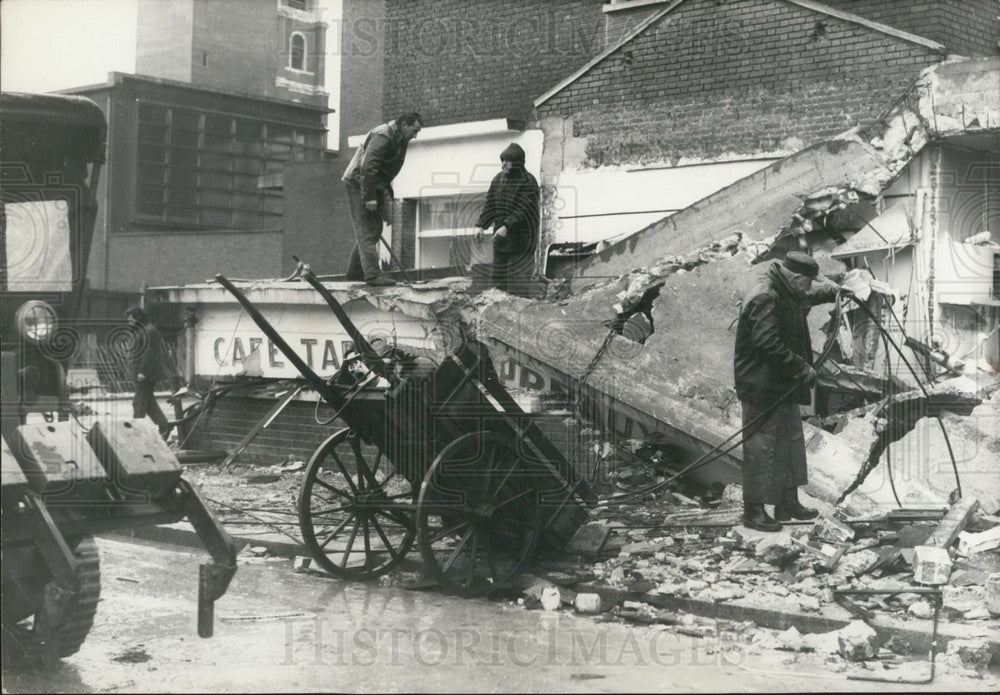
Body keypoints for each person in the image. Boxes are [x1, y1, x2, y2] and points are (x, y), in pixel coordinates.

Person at [733, 251, 843, 532]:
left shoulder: (785, 287)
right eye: (807, 282)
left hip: (781, 383)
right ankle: (754, 511)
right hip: (761, 385)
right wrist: (801, 367)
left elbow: (806, 296)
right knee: (762, 447)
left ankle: (787, 503)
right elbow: (767, 343)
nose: (808, 289)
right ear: (795, 277)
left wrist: (835, 290)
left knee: (791, 442)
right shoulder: (764, 295)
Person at [342, 112, 423, 286]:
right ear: (403, 125)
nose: (415, 135)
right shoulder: (383, 135)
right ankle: (372, 275)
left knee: (375, 229)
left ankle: (356, 271)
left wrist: (383, 197)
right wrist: (370, 197)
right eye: (414, 130)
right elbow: (368, 167)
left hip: (373, 184)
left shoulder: (400, 139)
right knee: (366, 229)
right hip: (359, 183)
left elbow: (385, 171)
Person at [474, 143, 539, 294]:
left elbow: (524, 209)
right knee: (498, 284)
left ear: (517, 162)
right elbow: (490, 204)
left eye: (507, 160)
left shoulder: (528, 181)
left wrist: (507, 226)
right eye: (502, 160)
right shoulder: (498, 179)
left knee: (519, 285)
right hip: (501, 242)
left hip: (522, 243)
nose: (503, 163)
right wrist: (481, 225)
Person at [124, 306, 172, 441]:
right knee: (149, 405)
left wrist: (143, 372)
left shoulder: (149, 331)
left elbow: (149, 354)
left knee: (138, 404)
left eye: (131, 320)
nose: (130, 323)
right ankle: (164, 426)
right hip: (141, 374)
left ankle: (136, 435)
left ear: (139, 318)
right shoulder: (142, 330)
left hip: (146, 375)